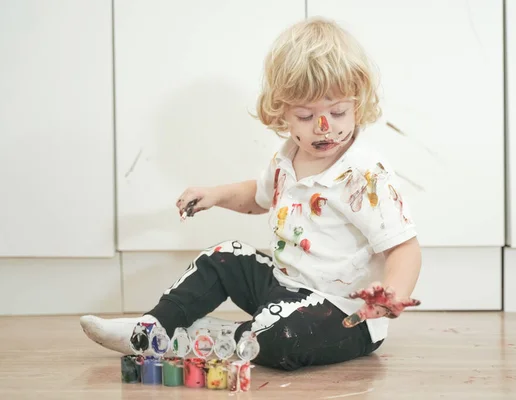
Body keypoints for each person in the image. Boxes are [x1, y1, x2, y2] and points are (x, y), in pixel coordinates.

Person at [80, 16, 422, 371]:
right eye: (306, 115)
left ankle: (214, 338)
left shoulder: (365, 173)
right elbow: (259, 196)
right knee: (223, 256)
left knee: (282, 338)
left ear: (357, 104)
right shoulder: (288, 155)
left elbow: (404, 247)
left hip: (343, 314)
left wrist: (391, 294)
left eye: (338, 112)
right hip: (282, 287)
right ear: (283, 112)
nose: (325, 127)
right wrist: (215, 194)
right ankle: (152, 328)